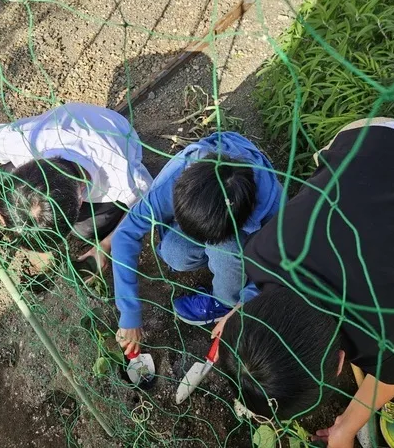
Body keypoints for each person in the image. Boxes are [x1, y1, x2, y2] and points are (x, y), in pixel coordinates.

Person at [217, 118, 394, 448]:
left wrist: (346, 427)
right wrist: (240, 315)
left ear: (339, 363)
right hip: (366, 135)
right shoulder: (260, 253)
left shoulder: (376, 330)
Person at [112, 132, 283, 355]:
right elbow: (125, 234)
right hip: (213, 210)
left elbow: (279, 263)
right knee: (174, 253)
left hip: (243, 236)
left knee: (228, 247)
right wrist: (129, 314)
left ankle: (224, 302)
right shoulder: (178, 181)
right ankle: (214, 253)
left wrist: (244, 304)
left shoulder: (276, 208)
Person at [0, 103, 152, 260]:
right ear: (25, 167)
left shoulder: (122, 176)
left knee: (85, 230)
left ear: (79, 201)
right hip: (60, 133)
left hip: (114, 132)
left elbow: (149, 205)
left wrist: (105, 247)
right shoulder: (19, 141)